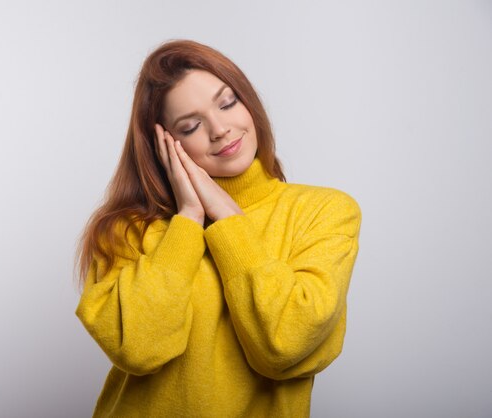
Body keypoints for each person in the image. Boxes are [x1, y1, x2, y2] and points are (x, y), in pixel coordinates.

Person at [74, 39, 362, 418]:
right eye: (191, 125)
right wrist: (189, 218)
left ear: (249, 103)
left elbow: (285, 344)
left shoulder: (325, 211)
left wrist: (227, 219)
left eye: (227, 103)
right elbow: (139, 349)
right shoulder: (125, 230)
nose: (220, 129)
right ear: (165, 144)